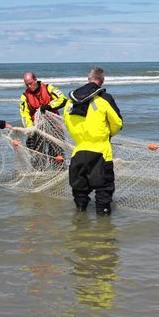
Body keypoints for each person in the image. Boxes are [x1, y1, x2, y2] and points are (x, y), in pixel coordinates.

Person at [63, 67, 123, 215]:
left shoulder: (70, 102)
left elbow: (67, 122)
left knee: (79, 192)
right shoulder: (104, 98)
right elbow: (117, 123)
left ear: (88, 79)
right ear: (101, 81)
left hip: (78, 151)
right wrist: (107, 135)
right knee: (104, 190)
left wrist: (81, 137)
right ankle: (103, 229)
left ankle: (80, 225)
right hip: (101, 152)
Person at [19, 72, 68, 164]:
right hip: (37, 128)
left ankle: (58, 172)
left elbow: (63, 99)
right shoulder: (24, 96)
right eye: (27, 84)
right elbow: (25, 115)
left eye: (31, 83)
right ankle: (41, 175)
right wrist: (30, 129)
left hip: (54, 126)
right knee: (37, 156)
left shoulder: (48, 88)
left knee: (57, 154)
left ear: (35, 80)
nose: (29, 86)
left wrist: (47, 107)